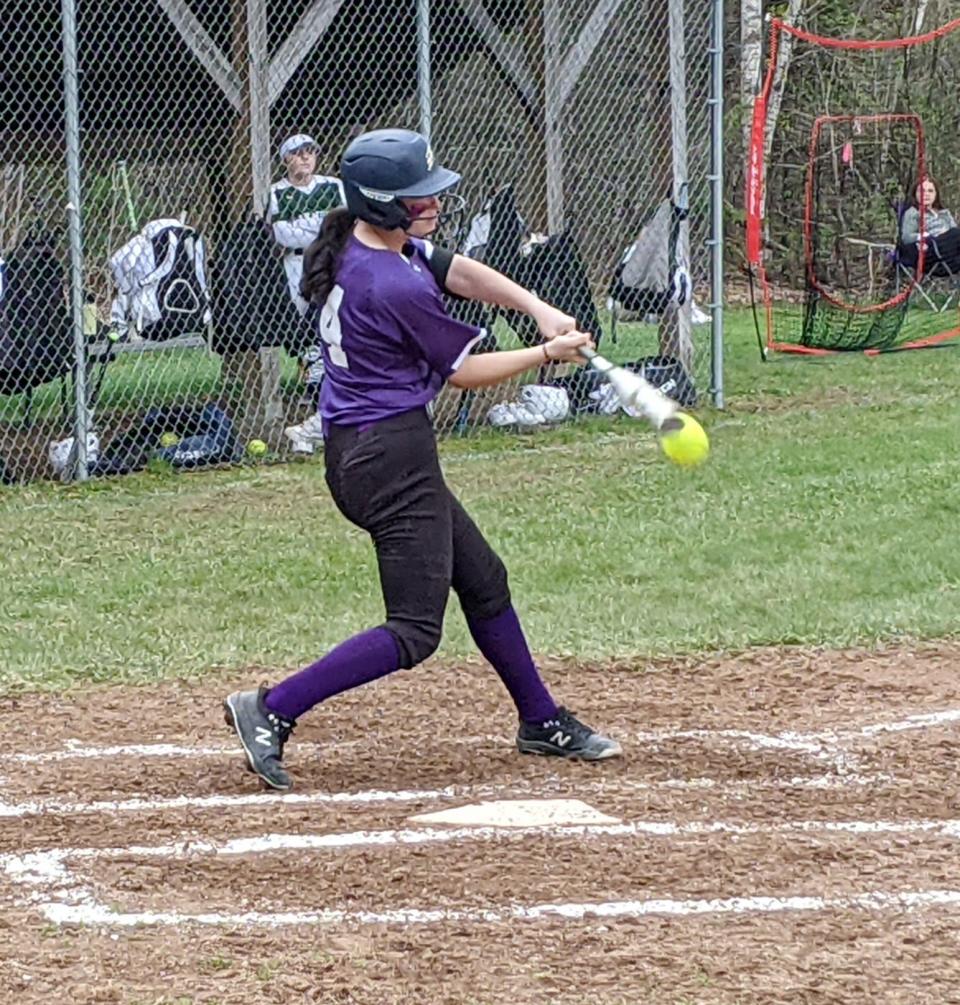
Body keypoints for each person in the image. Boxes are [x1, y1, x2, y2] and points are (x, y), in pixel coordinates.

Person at [223, 128, 622, 791]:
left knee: (485, 579)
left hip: (377, 449)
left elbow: (455, 267)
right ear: (383, 204)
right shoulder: (387, 281)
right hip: (386, 461)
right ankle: (270, 708)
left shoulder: (368, 241)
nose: (431, 205)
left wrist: (536, 306)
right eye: (417, 198)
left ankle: (540, 717)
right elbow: (465, 371)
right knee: (414, 630)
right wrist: (546, 353)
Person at [267, 133, 344, 454]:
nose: (305, 159)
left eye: (310, 153)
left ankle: (322, 416)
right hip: (294, 265)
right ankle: (317, 413)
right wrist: (313, 231)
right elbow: (281, 232)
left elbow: (341, 226)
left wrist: (309, 232)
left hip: (330, 263)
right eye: (298, 154)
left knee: (329, 335)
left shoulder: (331, 186)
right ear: (286, 159)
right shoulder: (277, 193)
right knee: (306, 343)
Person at [898, 176, 960, 274]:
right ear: (915, 194)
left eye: (930, 191)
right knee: (956, 233)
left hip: (950, 258)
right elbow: (906, 237)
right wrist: (925, 236)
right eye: (921, 191)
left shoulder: (944, 213)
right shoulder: (913, 212)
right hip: (930, 255)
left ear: (936, 194)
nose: (926, 194)